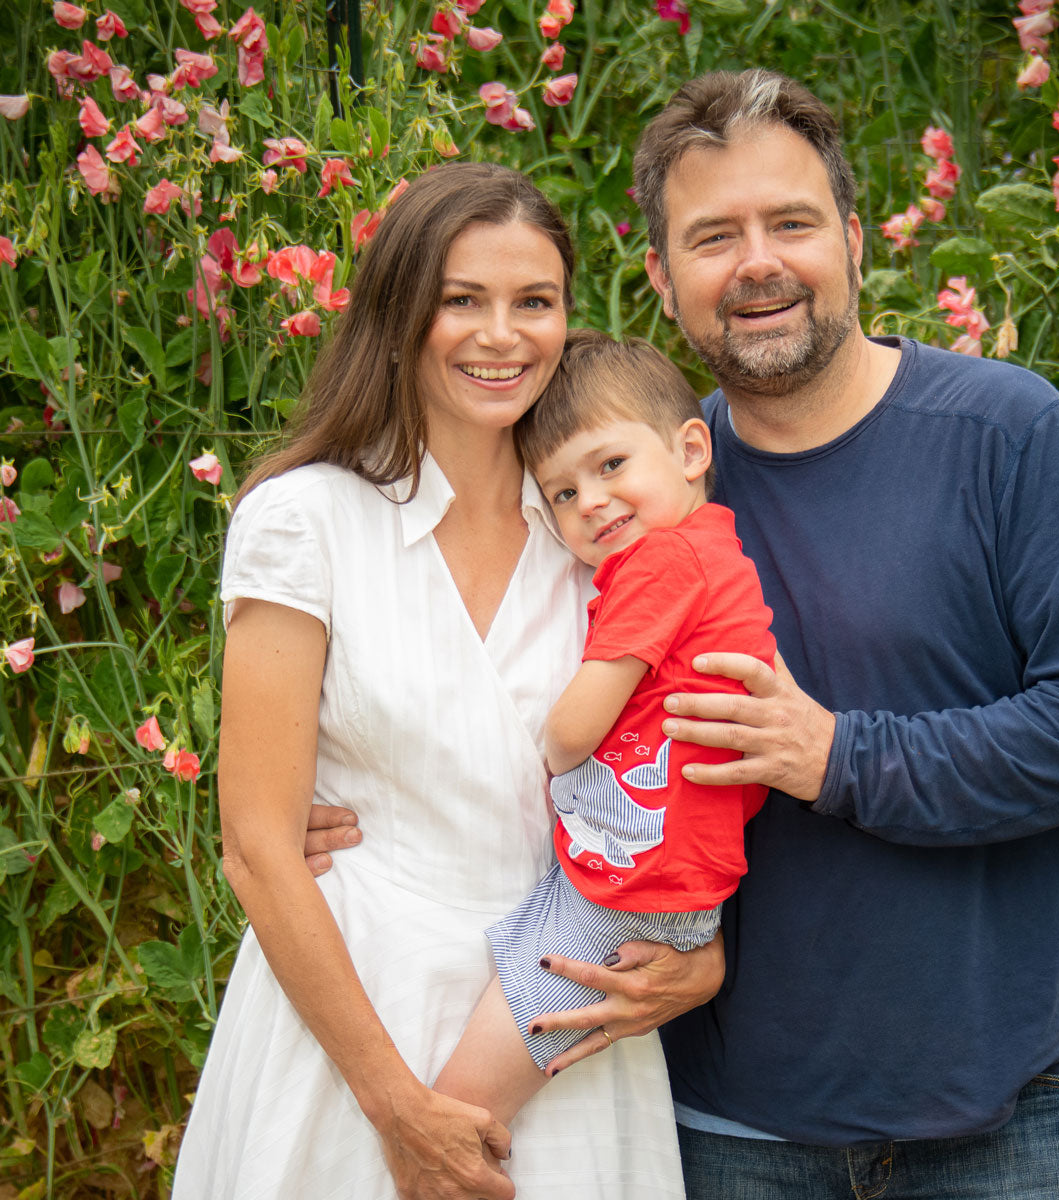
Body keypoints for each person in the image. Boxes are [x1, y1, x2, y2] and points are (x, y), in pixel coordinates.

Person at [304, 69, 1059, 1197]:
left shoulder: (1007, 438)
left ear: (855, 240)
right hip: (727, 1131)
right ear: (663, 280)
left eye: (792, 223)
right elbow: (494, 673)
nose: (758, 261)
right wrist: (360, 799)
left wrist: (839, 757)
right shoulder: (618, 483)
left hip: (999, 1119)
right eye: (714, 236)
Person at [172, 163, 692, 1200]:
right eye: (463, 300)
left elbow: (689, 766)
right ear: (401, 312)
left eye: (533, 303)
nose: (501, 335)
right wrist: (395, 1106)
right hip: (356, 1021)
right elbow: (259, 845)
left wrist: (698, 952)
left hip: (564, 1013)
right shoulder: (305, 520)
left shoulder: (598, 535)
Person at [433, 330, 776, 1123]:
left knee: (461, 1110)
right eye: (560, 492)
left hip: (630, 889)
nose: (589, 501)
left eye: (611, 465)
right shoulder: (707, 551)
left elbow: (576, 729)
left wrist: (550, 746)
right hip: (635, 877)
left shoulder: (664, 563)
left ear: (692, 449)